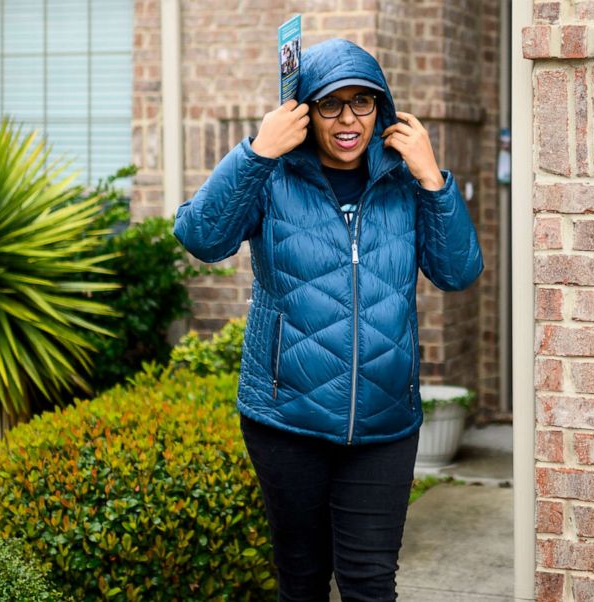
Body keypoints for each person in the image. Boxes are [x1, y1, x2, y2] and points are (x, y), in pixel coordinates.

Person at [173, 38, 483, 602]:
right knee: (303, 580)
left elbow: (458, 272)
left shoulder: (408, 184)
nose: (348, 119)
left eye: (362, 102)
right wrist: (256, 153)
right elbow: (201, 236)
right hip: (286, 420)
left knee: (369, 584)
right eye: (330, 105)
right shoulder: (271, 179)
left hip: (384, 422)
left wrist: (434, 179)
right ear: (306, 111)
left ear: (381, 108)